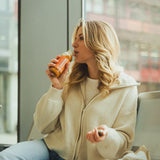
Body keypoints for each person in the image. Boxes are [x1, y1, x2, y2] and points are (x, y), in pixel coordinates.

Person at [0, 19, 146, 160]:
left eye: (81, 38)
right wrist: (56, 88)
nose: (74, 44)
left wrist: (106, 135)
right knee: (5, 156)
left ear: (98, 42)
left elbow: (123, 141)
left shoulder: (125, 87)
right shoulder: (69, 77)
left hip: (92, 157)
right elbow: (42, 125)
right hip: (51, 148)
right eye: (75, 38)